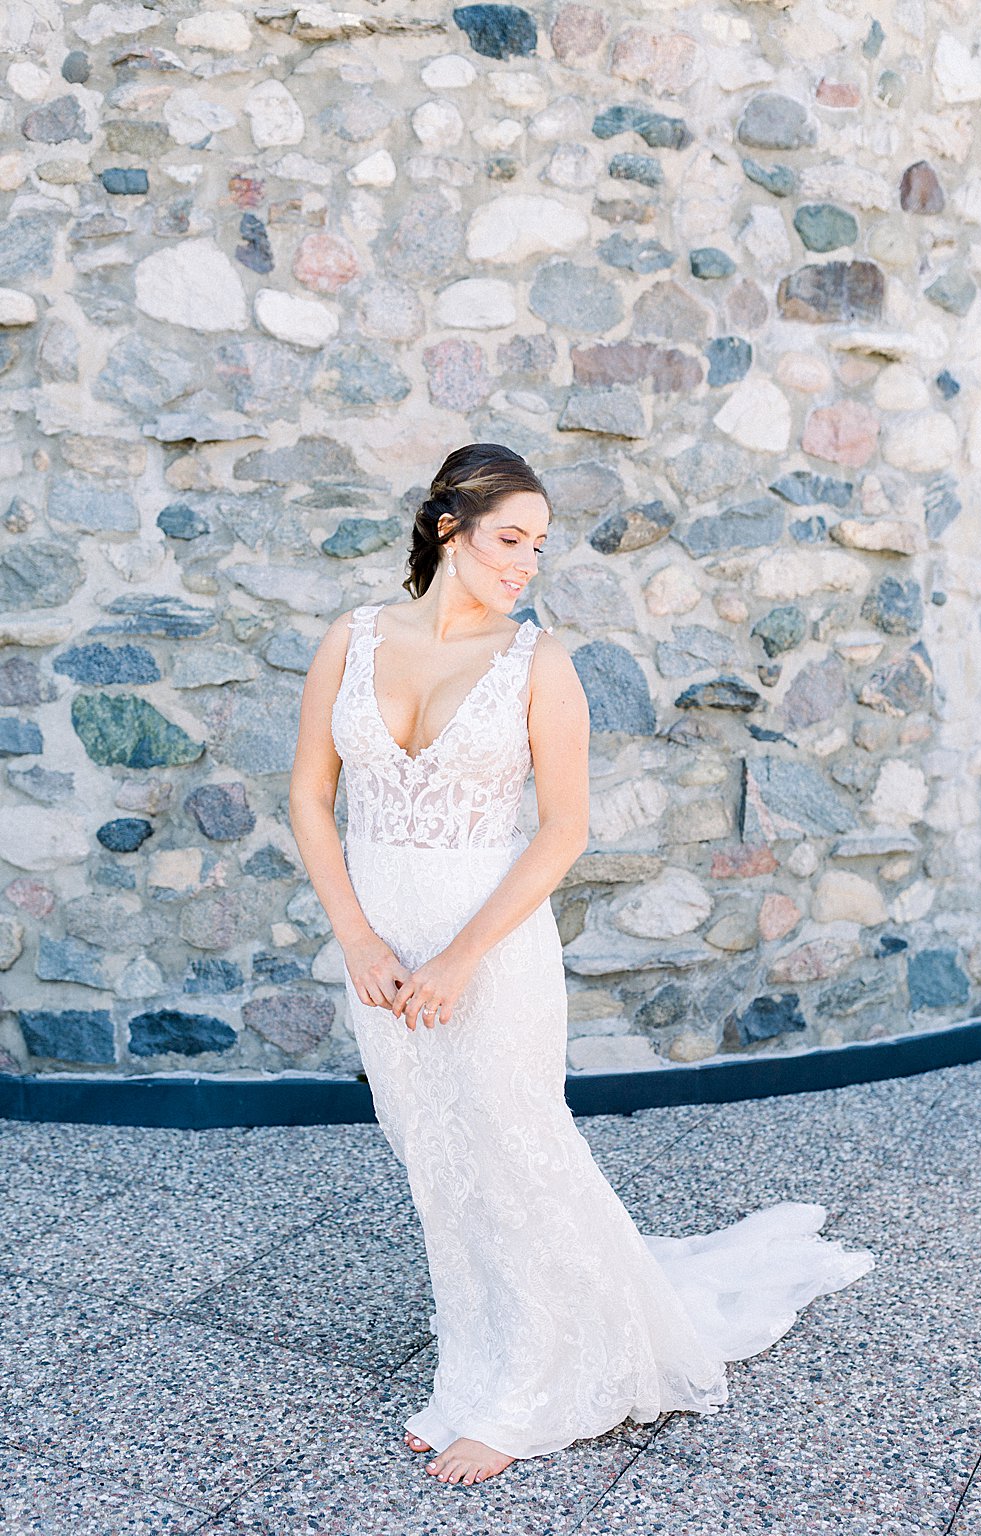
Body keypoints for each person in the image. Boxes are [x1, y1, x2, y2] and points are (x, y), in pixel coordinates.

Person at [287, 442, 873, 1486]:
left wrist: (462, 958)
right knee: (435, 1157)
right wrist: (359, 940)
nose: (525, 563)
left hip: (491, 949)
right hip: (378, 950)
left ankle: (527, 1392)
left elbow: (562, 831)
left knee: (513, 1148)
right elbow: (308, 797)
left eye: (538, 546)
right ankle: (470, 1367)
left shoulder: (535, 661)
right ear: (445, 531)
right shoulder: (353, 640)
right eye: (508, 539)